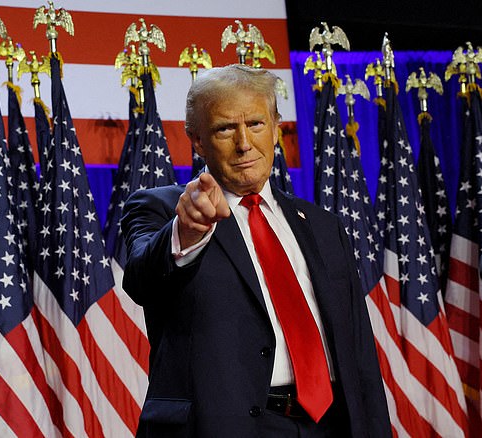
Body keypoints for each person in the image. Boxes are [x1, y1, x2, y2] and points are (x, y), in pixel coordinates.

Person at [121, 64, 390, 437]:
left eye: (256, 124)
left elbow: (359, 351)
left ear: (277, 128)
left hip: (329, 425)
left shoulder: (322, 226)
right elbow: (141, 279)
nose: (244, 142)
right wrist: (188, 230)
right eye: (225, 128)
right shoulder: (164, 209)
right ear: (197, 140)